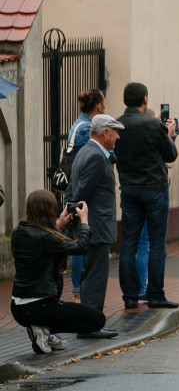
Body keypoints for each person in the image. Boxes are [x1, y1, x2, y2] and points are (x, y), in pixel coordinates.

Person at [10, 190, 107, 353]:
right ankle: (43, 329)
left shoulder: (18, 231)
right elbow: (80, 247)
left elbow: (43, 242)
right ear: (50, 210)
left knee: (56, 274)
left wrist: (59, 226)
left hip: (18, 307)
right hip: (39, 307)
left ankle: (42, 330)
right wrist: (84, 221)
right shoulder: (47, 238)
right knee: (97, 320)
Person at [114, 83, 179, 309]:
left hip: (129, 189)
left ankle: (130, 296)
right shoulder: (153, 124)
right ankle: (156, 295)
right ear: (145, 100)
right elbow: (170, 153)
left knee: (129, 243)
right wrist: (169, 134)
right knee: (156, 244)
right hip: (154, 190)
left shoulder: (117, 125)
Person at [65, 113, 122, 339]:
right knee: (96, 277)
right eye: (115, 132)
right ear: (105, 133)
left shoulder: (85, 152)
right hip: (96, 226)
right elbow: (80, 193)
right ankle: (90, 326)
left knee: (91, 276)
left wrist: (70, 208)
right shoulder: (97, 157)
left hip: (92, 225)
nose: (118, 136)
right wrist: (73, 210)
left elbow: (72, 188)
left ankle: (88, 323)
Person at [67, 89, 105, 304]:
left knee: (79, 238)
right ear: (98, 106)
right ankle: (79, 290)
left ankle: (80, 289)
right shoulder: (86, 128)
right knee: (80, 239)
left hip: (76, 186)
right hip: (82, 189)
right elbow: (88, 159)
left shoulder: (78, 124)